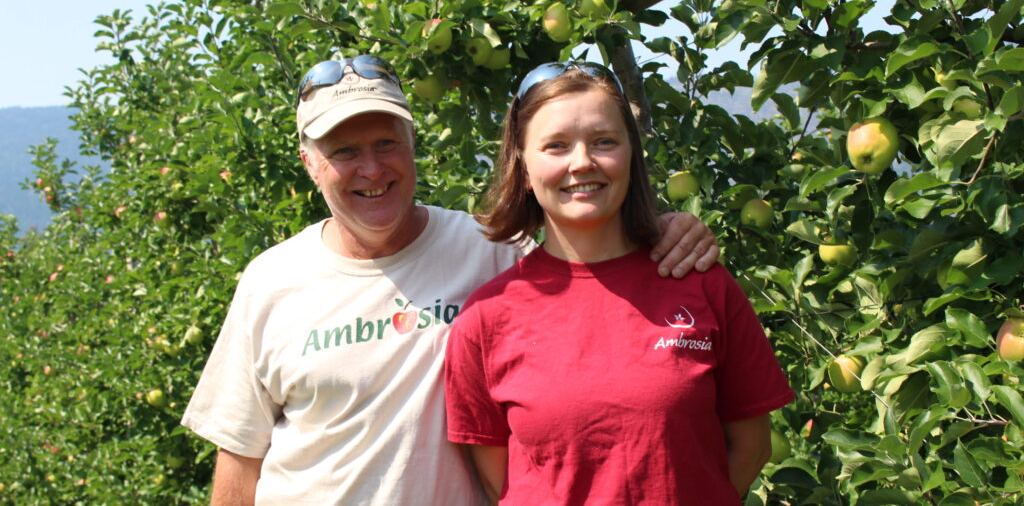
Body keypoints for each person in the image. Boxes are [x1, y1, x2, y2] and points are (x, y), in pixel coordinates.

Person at [180, 55, 721, 505]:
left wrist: (666, 230)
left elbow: (591, 249)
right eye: (344, 151)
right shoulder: (271, 282)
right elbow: (240, 458)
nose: (372, 169)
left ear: (412, 142)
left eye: (386, 143)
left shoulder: (493, 251)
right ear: (308, 162)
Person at [444, 62, 795, 504]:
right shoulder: (485, 318)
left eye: (604, 141)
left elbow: (752, 446)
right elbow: (501, 482)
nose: (582, 162)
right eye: (556, 146)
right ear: (524, 168)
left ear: (631, 154)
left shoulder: (700, 281)